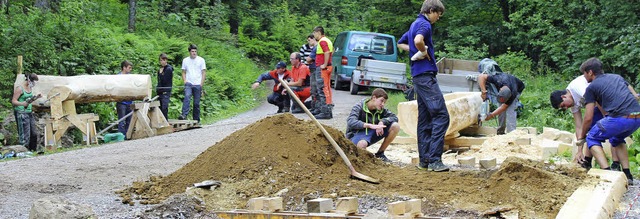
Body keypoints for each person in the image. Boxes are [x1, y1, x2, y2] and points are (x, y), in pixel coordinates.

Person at [397, 0, 449, 172]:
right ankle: (435, 160)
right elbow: (419, 40)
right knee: (441, 115)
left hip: (418, 77)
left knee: (425, 119)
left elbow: (401, 43)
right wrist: (423, 51)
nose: (438, 18)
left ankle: (424, 161)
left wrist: (414, 51)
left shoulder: (414, 23)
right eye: (438, 14)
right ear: (431, 10)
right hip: (426, 77)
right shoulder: (424, 25)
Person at [576, 57, 640, 185]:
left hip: (620, 118)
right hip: (637, 116)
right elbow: (635, 96)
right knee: (617, 139)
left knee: (592, 138)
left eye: (584, 73)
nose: (584, 77)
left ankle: (608, 174)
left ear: (590, 72)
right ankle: (628, 175)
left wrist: (582, 137)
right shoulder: (617, 77)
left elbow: (588, 117)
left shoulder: (591, 88)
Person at [549, 75, 622, 170]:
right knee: (591, 130)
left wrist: (607, 118)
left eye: (563, 105)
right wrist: (579, 150)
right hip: (599, 104)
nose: (566, 108)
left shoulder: (577, 87)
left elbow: (597, 99)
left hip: (609, 99)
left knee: (611, 131)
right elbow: (579, 127)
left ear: (563, 96)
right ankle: (587, 161)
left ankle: (615, 164)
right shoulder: (572, 103)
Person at [346, 88, 400, 163]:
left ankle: (380, 153)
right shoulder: (359, 106)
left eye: (384, 102)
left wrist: (382, 122)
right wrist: (369, 125)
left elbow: (394, 117)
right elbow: (350, 121)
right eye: (381, 101)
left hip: (372, 133)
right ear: (374, 98)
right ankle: (364, 162)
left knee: (395, 126)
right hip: (357, 135)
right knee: (362, 144)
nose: (383, 104)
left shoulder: (381, 109)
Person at [12, 73, 42, 152]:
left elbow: (28, 100)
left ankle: (33, 151)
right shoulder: (19, 88)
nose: (34, 83)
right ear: (29, 80)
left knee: (34, 134)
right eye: (33, 81)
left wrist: (36, 97)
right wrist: (22, 104)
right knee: (25, 135)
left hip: (29, 112)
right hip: (21, 112)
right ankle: (23, 151)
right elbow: (14, 101)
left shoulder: (29, 88)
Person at [179, 44, 207, 123]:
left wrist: (201, 84)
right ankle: (184, 115)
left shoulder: (201, 60)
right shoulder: (185, 60)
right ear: (189, 52)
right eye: (192, 51)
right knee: (187, 97)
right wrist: (185, 81)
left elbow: (204, 72)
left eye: (195, 51)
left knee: (196, 103)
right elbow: (183, 72)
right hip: (189, 83)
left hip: (198, 83)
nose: (194, 53)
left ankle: (196, 120)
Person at [312, 26, 334, 119]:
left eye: (314, 33)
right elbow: (331, 52)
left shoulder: (322, 41)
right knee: (326, 89)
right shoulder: (328, 40)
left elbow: (327, 52)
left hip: (323, 69)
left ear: (318, 32)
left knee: (322, 89)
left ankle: (325, 112)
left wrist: (324, 64)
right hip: (327, 68)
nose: (314, 35)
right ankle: (327, 110)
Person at [117, 60, 134, 137]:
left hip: (130, 102)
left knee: (129, 121)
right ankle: (121, 136)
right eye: (129, 68)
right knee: (121, 120)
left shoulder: (131, 77)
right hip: (121, 102)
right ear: (124, 67)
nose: (130, 70)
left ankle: (128, 135)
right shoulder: (118, 77)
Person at [157, 53, 174, 120]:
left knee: (164, 107)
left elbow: (165, 80)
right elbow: (159, 80)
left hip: (166, 91)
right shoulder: (160, 69)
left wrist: (161, 74)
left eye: (163, 60)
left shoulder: (169, 69)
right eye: (161, 60)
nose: (162, 62)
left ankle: (165, 121)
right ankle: (161, 121)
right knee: (160, 107)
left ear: (166, 60)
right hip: (160, 91)